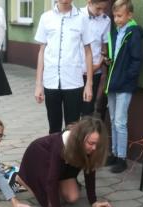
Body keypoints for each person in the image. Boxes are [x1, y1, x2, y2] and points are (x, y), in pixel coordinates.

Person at [17, 116, 112, 207]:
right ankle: (22, 178)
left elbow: (89, 170)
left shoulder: (90, 147)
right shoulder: (60, 145)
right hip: (39, 157)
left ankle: (56, 185)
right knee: (49, 204)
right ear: (80, 139)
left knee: (72, 197)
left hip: (64, 167)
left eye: (97, 144)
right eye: (91, 143)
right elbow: (52, 180)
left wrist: (93, 201)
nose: (94, 148)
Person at [34, 0, 94, 134]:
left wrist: (89, 84)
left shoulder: (82, 19)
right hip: (51, 82)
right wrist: (38, 84)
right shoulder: (46, 17)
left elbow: (88, 52)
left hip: (73, 82)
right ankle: (55, 148)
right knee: (54, 128)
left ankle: (70, 149)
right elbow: (41, 51)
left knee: (72, 129)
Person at [104, 0, 143, 173]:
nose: (116, 19)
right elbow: (116, 57)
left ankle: (122, 158)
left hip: (124, 85)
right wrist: (108, 60)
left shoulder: (133, 33)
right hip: (113, 83)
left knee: (120, 122)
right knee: (113, 120)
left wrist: (127, 78)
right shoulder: (117, 32)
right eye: (114, 16)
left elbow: (137, 60)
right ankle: (113, 153)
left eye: (120, 16)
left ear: (130, 15)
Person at [80, 0, 110, 117]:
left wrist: (98, 65)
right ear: (89, 2)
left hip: (94, 71)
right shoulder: (77, 15)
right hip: (76, 71)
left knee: (88, 108)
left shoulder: (106, 20)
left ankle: (86, 129)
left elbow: (105, 47)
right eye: (98, 8)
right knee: (73, 108)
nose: (101, 12)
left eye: (104, 9)